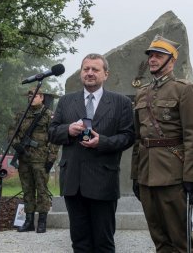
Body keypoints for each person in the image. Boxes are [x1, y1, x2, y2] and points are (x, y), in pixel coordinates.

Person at [49, 53, 135, 252]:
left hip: (103, 181)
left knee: (103, 243)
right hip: (73, 182)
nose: (89, 73)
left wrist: (101, 142)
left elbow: (128, 137)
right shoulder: (65, 101)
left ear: (106, 74)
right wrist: (67, 130)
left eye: (95, 70)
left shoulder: (120, 102)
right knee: (79, 243)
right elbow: (52, 133)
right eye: (86, 69)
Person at [131, 35, 193, 252]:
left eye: (158, 55)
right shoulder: (142, 92)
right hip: (146, 175)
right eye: (151, 55)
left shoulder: (184, 89)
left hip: (173, 175)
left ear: (171, 61)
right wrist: (135, 175)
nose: (152, 59)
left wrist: (190, 177)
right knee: (159, 239)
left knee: (180, 240)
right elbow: (138, 138)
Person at [9, 88, 59, 233]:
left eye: (35, 95)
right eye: (29, 96)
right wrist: (17, 145)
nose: (31, 98)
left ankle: (42, 221)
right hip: (24, 158)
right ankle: (29, 221)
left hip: (41, 158)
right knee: (27, 190)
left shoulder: (49, 115)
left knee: (42, 190)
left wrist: (51, 158)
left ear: (42, 97)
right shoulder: (21, 115)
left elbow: (54, 139)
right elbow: (12, 131)